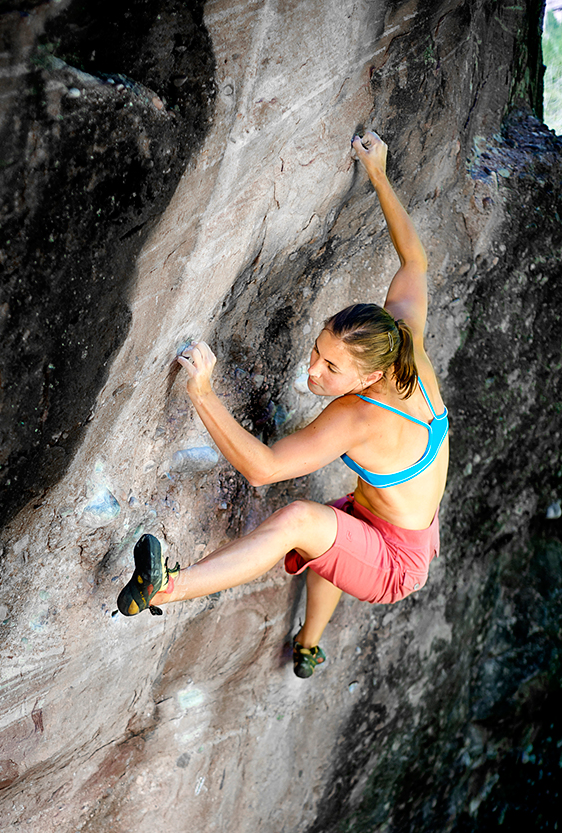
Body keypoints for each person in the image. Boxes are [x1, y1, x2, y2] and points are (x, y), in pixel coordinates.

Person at [117, 132, 449, 678]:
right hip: (409, 523)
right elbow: (415, 259)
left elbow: (261, 470)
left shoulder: (360, 416)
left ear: (369, 376)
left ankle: (166, 588)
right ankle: (309, 646)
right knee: (338, 535)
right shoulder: (403, 341)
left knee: (302, 521)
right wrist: (379, 176)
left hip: (398, 562)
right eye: (318, 351)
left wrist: (202, 394)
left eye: (331, 369)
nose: (313, 371)